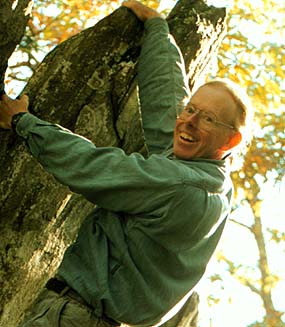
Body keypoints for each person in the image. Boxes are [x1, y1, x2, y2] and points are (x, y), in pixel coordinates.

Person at [0, 1, 252, 326]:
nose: (188, 121)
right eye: (190, 110)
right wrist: (158, 28)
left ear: (230, 141)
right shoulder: (209, 178)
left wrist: (23, 121)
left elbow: (95, 167)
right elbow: (167, 96)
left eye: (207, 118)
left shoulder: (181, 184)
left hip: (75, 318)